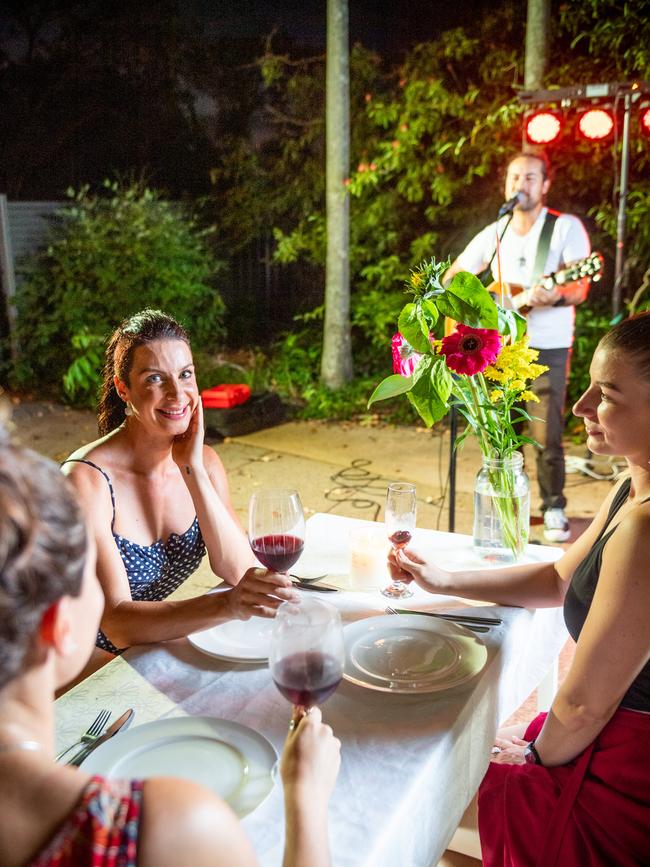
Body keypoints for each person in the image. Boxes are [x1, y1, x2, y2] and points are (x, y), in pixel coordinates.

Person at [0, 435, 340, 867]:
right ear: (59, 625)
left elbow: (236, 567)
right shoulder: (161, 827)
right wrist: (306, 796)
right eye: (89, 576)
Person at [388, 312, 650, 866]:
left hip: (627, 769)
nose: (578, 408)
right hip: (602, 734)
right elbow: (557, 578)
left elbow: (581, 706)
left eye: (604, 395)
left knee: (412, 799)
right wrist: (443, 578)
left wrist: (533, 756)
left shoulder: (646, 530)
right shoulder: (632, 484)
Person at [62, 309, 298, 656]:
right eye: (155, 379)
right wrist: (227, 606)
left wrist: (193, 470)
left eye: (185, 374)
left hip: (137, 648)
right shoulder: (85, 481)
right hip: (59, 653)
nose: (177, 393)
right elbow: (117, 623)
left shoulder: (204, 463)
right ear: (123, 388)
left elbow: (239, 571)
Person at [444, 151, 592, 543]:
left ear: (544, 185)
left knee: (547, 432)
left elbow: (580, 285)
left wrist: (553, 296)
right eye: (513, 178)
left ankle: (554, 507)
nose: (519, 185)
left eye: (529, 178)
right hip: (501, 348)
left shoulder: (563, 228)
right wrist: (480, 306)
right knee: (502, 431)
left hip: (548, 345)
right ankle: (508, 503)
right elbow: (454, 275)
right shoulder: (498, 230)